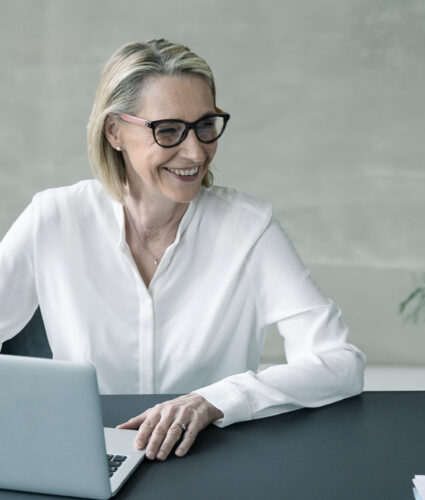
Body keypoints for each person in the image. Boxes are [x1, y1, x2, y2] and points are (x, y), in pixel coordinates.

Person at [0, 39, 365, 462]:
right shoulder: (54, 218)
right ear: (115, 131)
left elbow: (340, 363)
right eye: (168, 130)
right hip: (85, 457)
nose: (195, 152)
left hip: (207, 457)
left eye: (206, 125)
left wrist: (216, 399)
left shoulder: (248, 229)